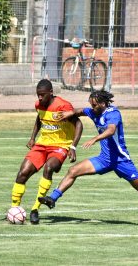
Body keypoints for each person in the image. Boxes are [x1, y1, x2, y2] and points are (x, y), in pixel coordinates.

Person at [39, 90, 138, 225]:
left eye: (95, 105)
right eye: (91, 105)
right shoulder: (94, 111)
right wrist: (71, 112)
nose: (92, 108)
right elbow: (81, 111)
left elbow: (111, 130)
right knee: (73, 171)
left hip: (121, 160)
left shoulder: (113, 113)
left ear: (103, 103)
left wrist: (95, 138)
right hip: (104, 159)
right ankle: (53, 198)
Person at [10, 79, 83, 224]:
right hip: (42, 145)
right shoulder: (39, 105)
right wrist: (32, 138)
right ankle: (14, 209)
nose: (40, 98)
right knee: (22, 173)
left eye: (42, 95)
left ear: (51, 93)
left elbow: (79, 124)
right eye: (38, 95)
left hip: (60, 146)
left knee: (48, 168)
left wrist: (73, 147)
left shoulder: (63, 106)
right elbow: (40, 118)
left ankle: (35, 209)